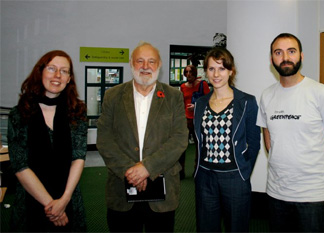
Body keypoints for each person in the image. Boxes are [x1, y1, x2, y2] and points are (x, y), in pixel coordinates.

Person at [256, 33, 324, 232]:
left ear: (301, 56)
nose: (285, 57)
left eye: (291, 51)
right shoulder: (267, 95)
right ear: (272, 60)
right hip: (276, 194)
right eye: (278, 52)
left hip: (312, 197)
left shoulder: (320, 92)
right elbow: (268, 139)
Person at [96, 41, 188, 233]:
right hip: (122, 191)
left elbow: (179, 138)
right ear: (131, 63)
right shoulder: (113, 96)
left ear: (159, 65)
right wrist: (131, 171)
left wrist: (147, 167)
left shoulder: (173, 96)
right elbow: (104, 139)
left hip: (162, 192)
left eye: (151, 61)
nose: (145, 67)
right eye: (140, 61)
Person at [7, 50, 88, 232]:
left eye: (64, 71)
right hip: (31, 200)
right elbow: (20, 165)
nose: (57, 75)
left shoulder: (77, 112)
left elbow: (78, 157)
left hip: (69, 197)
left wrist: (65, 200)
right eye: (52, 69)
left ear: (69, 79)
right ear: (40, 72)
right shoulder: (19, 113)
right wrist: (53, 207)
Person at [193, 47, 261, 232]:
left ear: (231, 71)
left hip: (234, 178)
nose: (216, 74)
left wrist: (243, 171)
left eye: (222, 68)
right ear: (206, 72)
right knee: (206, 227)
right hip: (205, 178)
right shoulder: (201, 103)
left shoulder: (247, 102)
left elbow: (254, 143)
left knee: (236, 227)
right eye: (211, 68)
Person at [180, 65, 210, 179]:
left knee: (199, 146)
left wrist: (196, 106)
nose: (188, 74)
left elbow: (209, 101)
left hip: (199, 119)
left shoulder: (203, 85)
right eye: (186, 72)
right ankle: (180, 170)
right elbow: (181, 102)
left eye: (191, 72)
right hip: (186, 119)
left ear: (194, 73)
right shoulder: (183, 86)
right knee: (182, 146)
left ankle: (197, 170)